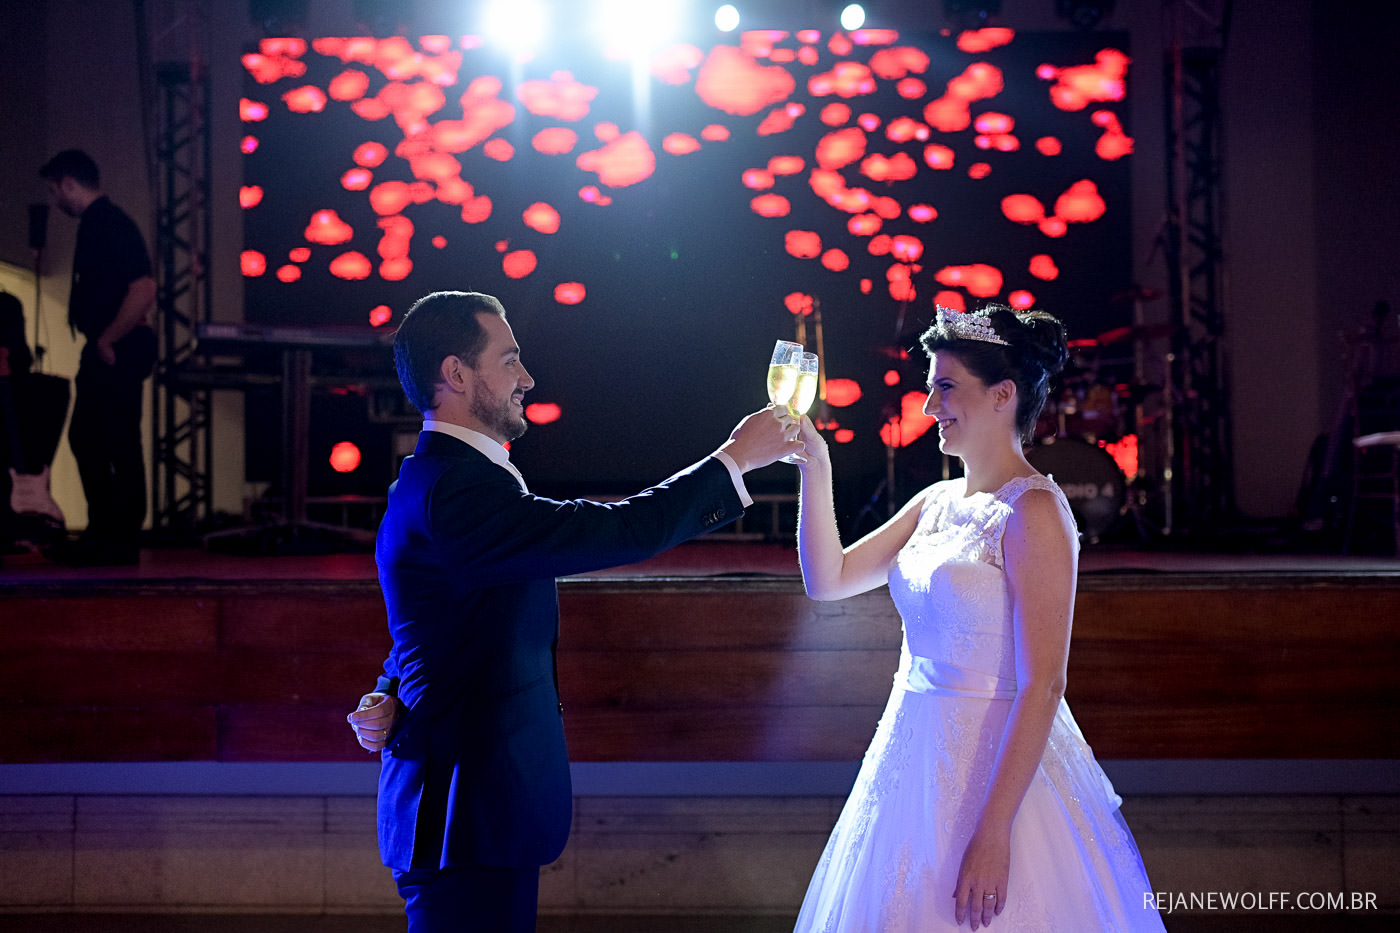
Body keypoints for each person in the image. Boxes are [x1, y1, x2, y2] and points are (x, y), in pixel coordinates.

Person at [345, 290, 803, 933]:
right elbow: (617, 530)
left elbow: (433, 623)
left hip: (477, 814)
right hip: (463, 816)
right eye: (510, 360)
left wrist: (390, 689)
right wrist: (735, 460)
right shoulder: (455, 491)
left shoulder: (440, 481)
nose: (527, 378)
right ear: (456, 374)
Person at [791, 304, 1165, 931]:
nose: (929, 405)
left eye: (945, 386)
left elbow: (1044, 683)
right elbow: (828, 580)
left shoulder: (1032, 511)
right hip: (910, 755)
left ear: (1002, 395)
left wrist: (995, 833)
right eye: (930, 387)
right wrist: (814, 466)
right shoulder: (933, 502)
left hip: (994, 772)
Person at [39, 149, 157, 566]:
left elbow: (143, 288)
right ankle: (108, 533)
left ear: (68, 183)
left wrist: (108, 339)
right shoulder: (102, 224)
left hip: (117, 347)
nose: (55, 199)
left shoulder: (108, 224)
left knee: (110, 439)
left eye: (55, 190)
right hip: (111, 346)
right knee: (96, 438)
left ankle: (115, 537)